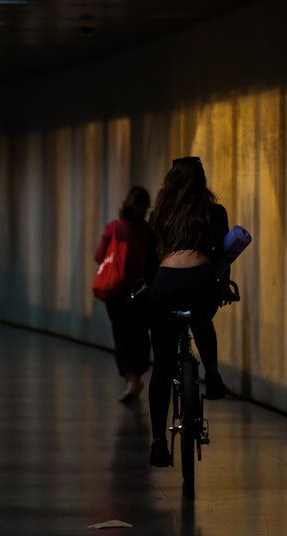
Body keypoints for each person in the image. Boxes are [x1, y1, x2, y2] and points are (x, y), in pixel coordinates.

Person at [144, 156, 237, 467]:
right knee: (202, 319)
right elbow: (224, 254)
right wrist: (223, 284)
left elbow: (150, 255)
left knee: (161, 366)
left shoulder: (160, 214)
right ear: (202, 180)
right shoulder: (214, 212)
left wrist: (149, 284)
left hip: (166, 282)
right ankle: (212, 376)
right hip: (201, 281)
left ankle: (158, 442)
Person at [95, 185, 152, 403]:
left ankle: (131, 379)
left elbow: (99, 256)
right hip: (141, 290)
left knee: (122, 335)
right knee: (139, 334)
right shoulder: (148, 232)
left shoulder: (113, 229)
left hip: (117, 291)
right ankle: (134, 377)